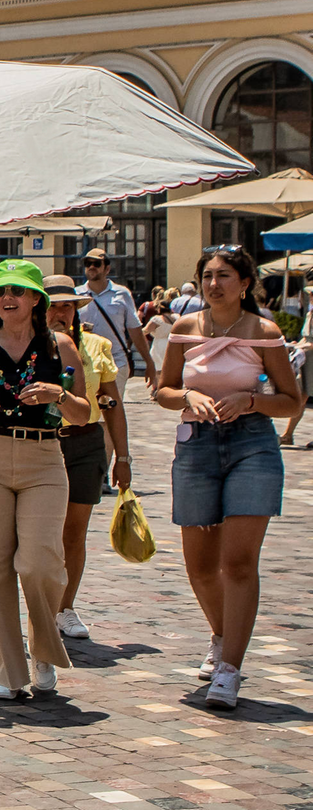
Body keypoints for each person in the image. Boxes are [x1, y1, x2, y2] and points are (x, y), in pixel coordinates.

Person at [153, 245, 301, 710]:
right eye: (208, 275)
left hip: (252, 445)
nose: (215, 284)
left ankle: (231, 669)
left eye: (224, 276)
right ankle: (221, 635)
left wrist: (252, 401)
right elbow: (163, 390)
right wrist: (186, 398)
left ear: (244, 283)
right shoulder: (184, 328)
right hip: (196, 445)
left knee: (237, 563)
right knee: (199, 566)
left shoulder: (264, 331)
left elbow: (292, 399)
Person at [0, 258, 88, 699]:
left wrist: (58, 394)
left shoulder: (60, 346)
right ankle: (9, 671)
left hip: (44, 458)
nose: (8, 298)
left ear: (35, 301)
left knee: (39, 561)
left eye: (18, 292)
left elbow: (83, 413)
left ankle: (43, 648)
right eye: (1, 292)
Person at [40, 275, 132, 643]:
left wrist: (122, 456)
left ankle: (64, 607)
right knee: (39, 533)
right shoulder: (28, 345)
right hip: (42, 443)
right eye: (53, 305)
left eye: (67, 305)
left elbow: (112, 403)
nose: (60, 312)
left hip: (85, 441)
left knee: (73, 532)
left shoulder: (96, 345)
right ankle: (38, 605)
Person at [76, 248, 156, 390]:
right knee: (89, 409)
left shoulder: (122, 294)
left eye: (96, 263)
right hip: (85, 361)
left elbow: (135, 329)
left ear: (107, 269)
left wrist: (148, 361)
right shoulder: (76, 295)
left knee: (113, 407)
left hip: (115, 360)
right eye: (88, 263)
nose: (91, 267)